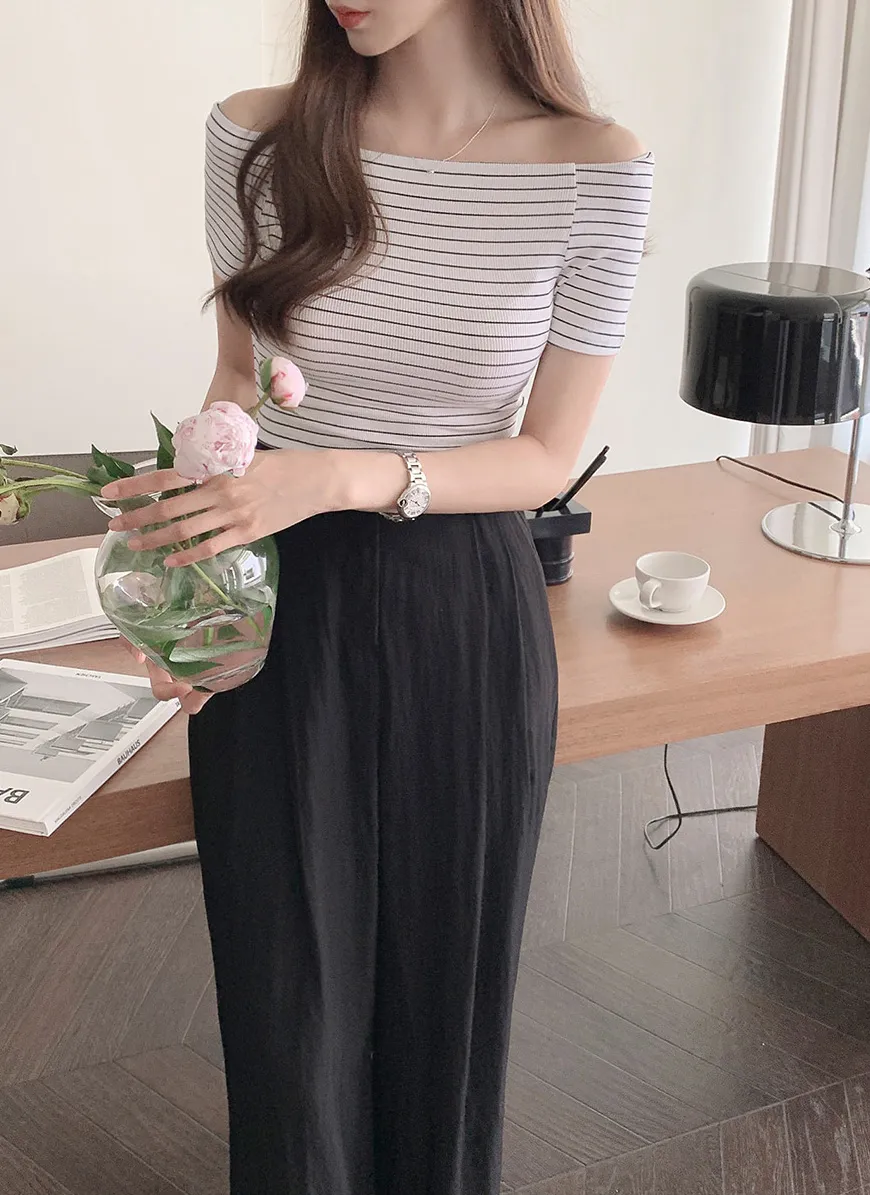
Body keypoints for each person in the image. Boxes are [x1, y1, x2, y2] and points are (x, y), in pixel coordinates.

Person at [103, 0, 653, 1190]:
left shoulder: (594, 171)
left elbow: (547, 455)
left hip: (464, 603)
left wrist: (343, 476)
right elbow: (237, 378)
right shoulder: (255, 135)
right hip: (280, 601)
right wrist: (191, 581)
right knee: (284, 1004)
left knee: (447, 998)